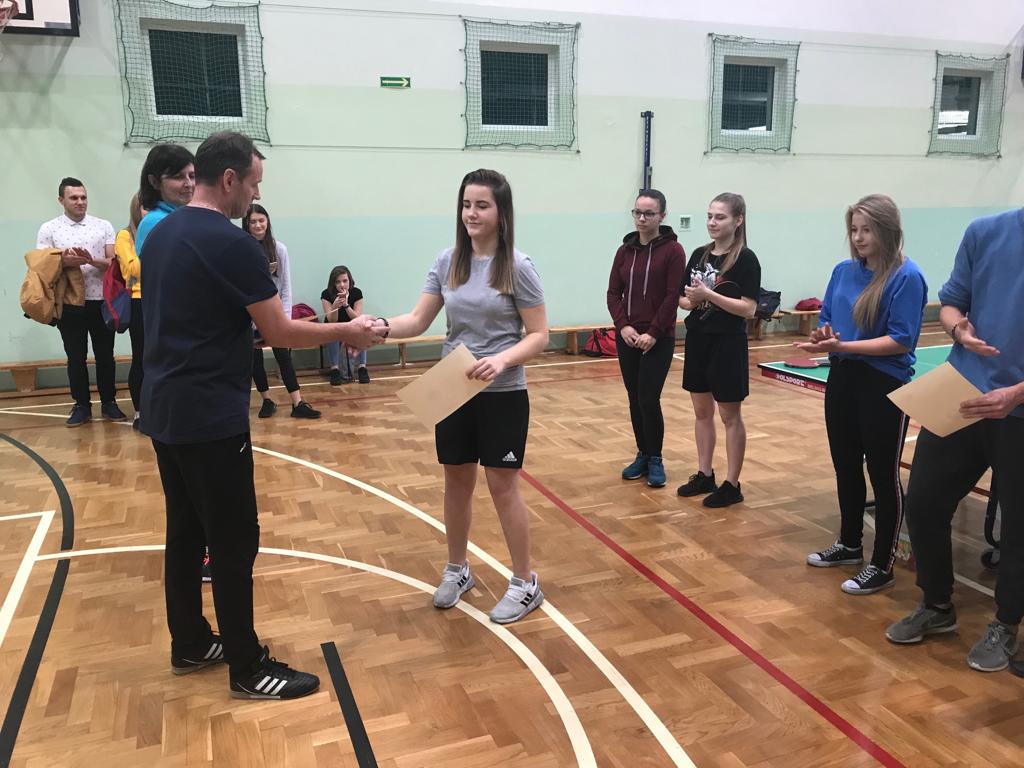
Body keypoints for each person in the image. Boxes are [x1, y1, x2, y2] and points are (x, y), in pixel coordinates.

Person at [141, 131, 386, 699]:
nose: (255, 196)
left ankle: (190, 641)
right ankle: (247, 666)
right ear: (229, 179)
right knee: (233, 539)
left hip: (165, 406)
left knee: (185, 531)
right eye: (254, 184)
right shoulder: (232, 244)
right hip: (209, 414)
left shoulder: (159, 233)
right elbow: (279, 331)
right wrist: (347, 330)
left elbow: (187, 318)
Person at [382, 169, 549, 624]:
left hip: (502, 392)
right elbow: (417, 320)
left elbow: (539, 335)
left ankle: (525, 582)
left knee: (502, 485)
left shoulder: (518, 266)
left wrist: (503, 360)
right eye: (466, 205)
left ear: (501, 212)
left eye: (481, 205)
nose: (471, 213)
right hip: (453, 386)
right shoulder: (448, 261)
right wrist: (379, 327)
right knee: (455, 480)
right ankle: (458, 570)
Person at [886, 207, 1024, 673]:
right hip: (962, 391)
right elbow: (951, 304)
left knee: (1019, 526)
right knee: (924, 502)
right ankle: (937, 605)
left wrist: (1016, 393)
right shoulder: (985, 232)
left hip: (1019, 408)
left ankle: (1006, 623)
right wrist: (957, 328)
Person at [798, 195, 927, 595]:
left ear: (888, 230)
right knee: (846, 465)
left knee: (883, 475)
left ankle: (882, 564)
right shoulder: (843, 271)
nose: (858, 237)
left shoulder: (907, 277)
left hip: (883, 384)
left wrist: (843, 346)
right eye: (853, 229)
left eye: (866, 230)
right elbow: (827, 319)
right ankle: (849, 543)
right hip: (843, 377)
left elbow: (901, 340)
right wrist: (824, 338)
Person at [677, 193, 760, 508]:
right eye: (710, 216)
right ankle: (705, 473)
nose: (712, 222)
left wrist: (708, 295)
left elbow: (748, 309)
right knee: (702, 412)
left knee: (729, 415)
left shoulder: (746, 259)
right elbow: (683, 299)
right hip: (698, 339)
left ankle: (732, 484)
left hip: (727, 343)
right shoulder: (699, 255)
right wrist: (691, 301)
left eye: (720, 217)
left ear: (738, 220)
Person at [607, 189, 685, 488]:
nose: (642, 218)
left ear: (662, 216)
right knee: (634, 398)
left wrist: (653, 332)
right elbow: (613, 293)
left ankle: (655, 459)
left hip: (658, 338)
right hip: (628, 337)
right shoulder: (624, 251)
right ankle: (642, 453)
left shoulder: (673, 251)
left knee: (649, 399)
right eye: (637, 212)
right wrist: (623, 327)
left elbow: (672, 296)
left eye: (649, 213)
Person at [36, 177, 125, 427]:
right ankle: (82, 405)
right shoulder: (49, 229)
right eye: (74, 197)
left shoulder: (103, 226)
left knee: (105, 355)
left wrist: (90, 260)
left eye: (83, 197)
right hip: (69, 302)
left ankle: (109, 402)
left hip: (100, 300)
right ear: (61, 200)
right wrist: (65, 262)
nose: (80, 202)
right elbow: (42, 265)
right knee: (76, 357)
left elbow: (113, 263)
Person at [242, 204, 321, 419]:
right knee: (255, 359)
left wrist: (284, 319)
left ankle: (297, 402)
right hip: (250, 314)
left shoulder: (279, 249)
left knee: (283, 357)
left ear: (268, 221)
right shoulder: (242, 250)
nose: (258, 225)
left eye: (261, 220)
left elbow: (286, 287)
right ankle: (267, 400)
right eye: (252, 222)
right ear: (246, 225)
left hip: (275, 313)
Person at [113, 193, 147, 430]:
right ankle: (140, 411)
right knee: (142, 357)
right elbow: (133, 270)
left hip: (164, 300)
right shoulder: (125, 236)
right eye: (146, 207)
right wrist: (151, 243)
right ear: (137, 209)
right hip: (139, 301)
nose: (151, 213)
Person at [135, 143, 195, 254]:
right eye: (178, 177)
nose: (189, 184)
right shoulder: (155, 222)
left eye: (192, 176)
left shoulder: (186, 216)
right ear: (154, 182)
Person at [321, 265, 370, 385]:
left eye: (345, 281)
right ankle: (335, 369)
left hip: (351, 327)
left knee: (363, 329)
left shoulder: (356, 293)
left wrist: (346, 306)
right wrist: (335, 306)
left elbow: (357, 318)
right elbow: (331, 320)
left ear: (350, 281)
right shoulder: (326, 294)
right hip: (334, 326)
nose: (342, 285)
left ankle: (362, 368)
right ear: (333, 283)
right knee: (332, 331)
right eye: (338, 282)